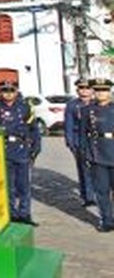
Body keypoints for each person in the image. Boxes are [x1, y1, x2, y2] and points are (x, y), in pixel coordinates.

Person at [0, 80, 40, 225]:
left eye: (11, 90)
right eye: (5, 91)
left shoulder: (24, 107)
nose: (8, 94)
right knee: (7, 185)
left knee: (24, 185)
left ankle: (25, 214)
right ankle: (11, 214)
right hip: (4, 149)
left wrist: (36, 147)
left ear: (16, 92)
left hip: (22, 149)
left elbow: (33, 128)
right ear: (0, 92)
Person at [80, 78, 114, 232]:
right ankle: (106, 220)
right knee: (102, 190)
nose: (101, 93)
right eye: (98, 90)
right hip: (97, 154)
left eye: (104, 90)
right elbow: (83, 134)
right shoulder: (88, 110)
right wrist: (86, 154)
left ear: (110, 92)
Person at [65, 78, 96, 207]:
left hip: (96, 139)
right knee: (84, 168)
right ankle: (87, 196)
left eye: (87, 88)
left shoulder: (97, 103)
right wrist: (71, 142)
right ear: (77, 90)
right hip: (79, 138)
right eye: (81, 88)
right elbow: (69, 124)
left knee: (99, 168)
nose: (84, 91)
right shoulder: (72, 105)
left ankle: (98, 193)